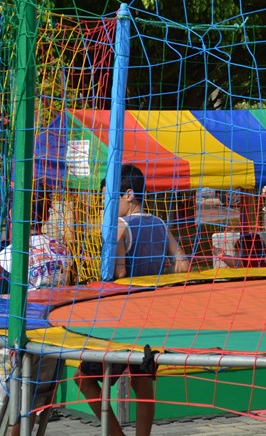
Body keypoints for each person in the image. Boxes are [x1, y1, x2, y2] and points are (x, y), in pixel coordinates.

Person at [73, 163, 190, 436]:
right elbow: (182, 265)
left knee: (84, 379)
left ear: (127, 194)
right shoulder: (160, 223)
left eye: (108, 197)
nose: (105, 205)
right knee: (142, 383)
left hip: (121, 317)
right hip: (153, 316)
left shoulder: (120, 227)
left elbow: (120, 272)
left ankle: (116, 434)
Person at [0, 190, 70, 435]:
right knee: (33, 400)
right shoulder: (62, 250)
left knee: (16, 398)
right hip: (57, 335)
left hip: (24, 337)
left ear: (13, 212)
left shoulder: (9, 254)